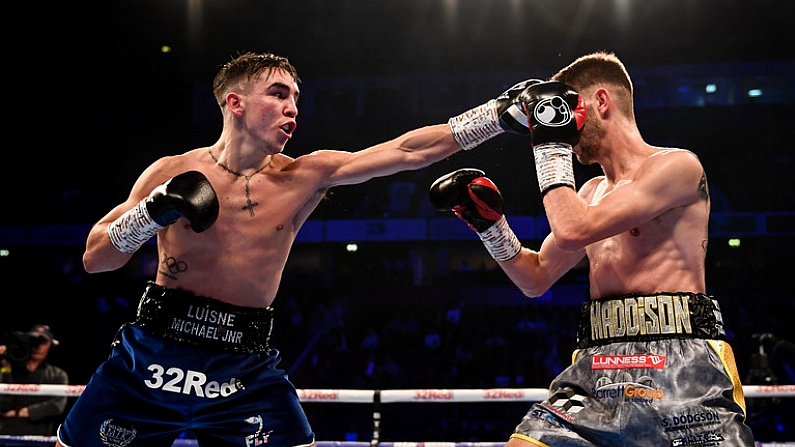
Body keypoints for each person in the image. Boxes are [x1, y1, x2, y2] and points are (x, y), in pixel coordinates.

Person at [56, 51, 539, 447]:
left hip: (242, 366)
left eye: (296, 99)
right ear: (234, 103)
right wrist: (150, 215)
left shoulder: (302, 176)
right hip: (151, 355)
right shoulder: (170, 172)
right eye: (278, 94)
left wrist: (498, 116)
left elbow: (407, 150)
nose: (293, 109)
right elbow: (96, 259)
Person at [430, 51, 756, 446]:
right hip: (596, 366)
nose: (562, 123)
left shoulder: (677, 167)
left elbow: (571, 230)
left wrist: (549, 146)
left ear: (601, 102)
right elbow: (534, 279)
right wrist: (491, 226)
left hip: (681, 364)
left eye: (565, 109)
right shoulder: (589, 193)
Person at [0, 325, 69, 436]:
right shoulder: (9, 369)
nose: (37, 346)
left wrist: (20, 412)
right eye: (34, 341)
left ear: (51, 346)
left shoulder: (57, 375)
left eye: (43, 342)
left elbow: (56, 406)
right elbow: (3, 404)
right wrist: (5, 368)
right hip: (5, 437)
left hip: (38, 439)